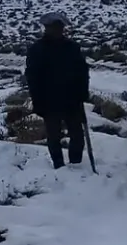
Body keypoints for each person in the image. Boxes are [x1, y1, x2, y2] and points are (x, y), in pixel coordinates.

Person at [25, 12, 90, 170]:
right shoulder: (37, 49)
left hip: (72, 100)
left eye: (60, 27)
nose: (57, 30)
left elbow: (82, 72)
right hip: (49, 101)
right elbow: (32, 77)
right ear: (46, 28)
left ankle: (75, 165)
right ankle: (59, 166)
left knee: (77, 136)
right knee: (54, 136)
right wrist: (37, 100)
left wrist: (83, 92)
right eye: (53, 27)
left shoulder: (72, 48)